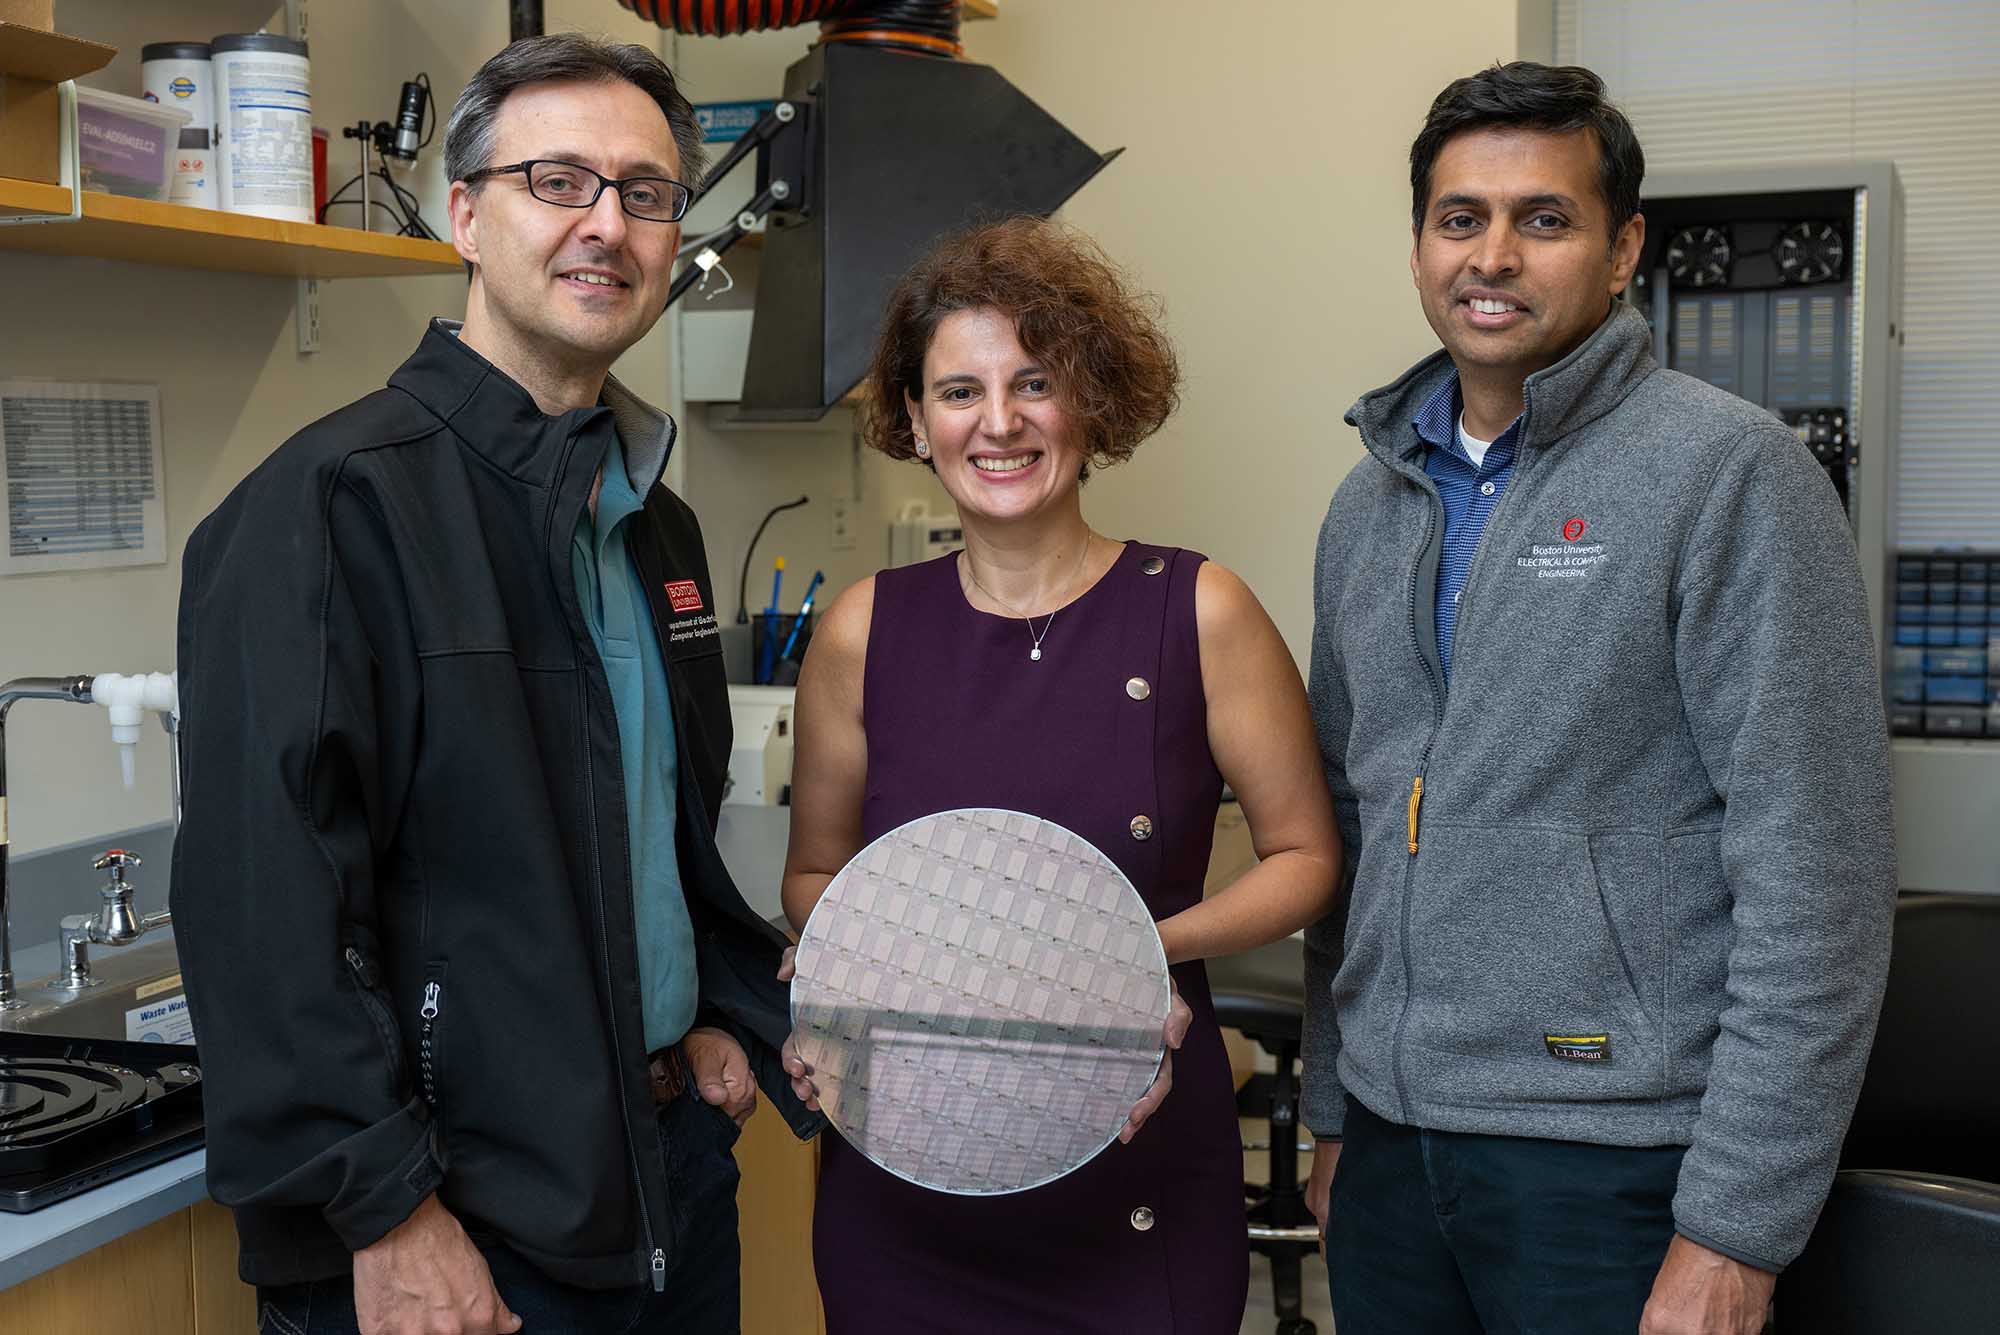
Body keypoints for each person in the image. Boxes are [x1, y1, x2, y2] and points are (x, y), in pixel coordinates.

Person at [172, 34, 817, 1335]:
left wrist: (705, 1014)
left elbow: (646, 833)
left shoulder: (658, 526)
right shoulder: (332, 506)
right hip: (454, 1219)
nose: (608, 225)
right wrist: (383, 1209)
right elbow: (263, 906)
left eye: (646, 193)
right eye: (559, 179)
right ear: (464, 214)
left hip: (669, 1172)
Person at [1300, 61, 1896, 1335]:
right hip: (1393, 1151)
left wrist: (1734, 1229)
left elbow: (1816, 876)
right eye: (1459, 218)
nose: (1493, 256)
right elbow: (1346, 833)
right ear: (1417, 248)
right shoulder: (1368, 502)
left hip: (1618, 1165)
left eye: (1544, 219)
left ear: (1622, 249)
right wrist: (1331, 1107)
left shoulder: (1728, 475)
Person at [773, 217, 1342, 1333]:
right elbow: (812, 877)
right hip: (905, 1177)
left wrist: (1122, 957)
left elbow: (1307, 857)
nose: (998, 423)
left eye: (1034, 382)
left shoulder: (1198, 610)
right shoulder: (859, 632)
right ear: (912, 420)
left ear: (1090, 401)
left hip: (1135, 1156)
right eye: (957, 392)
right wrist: (842, 986)